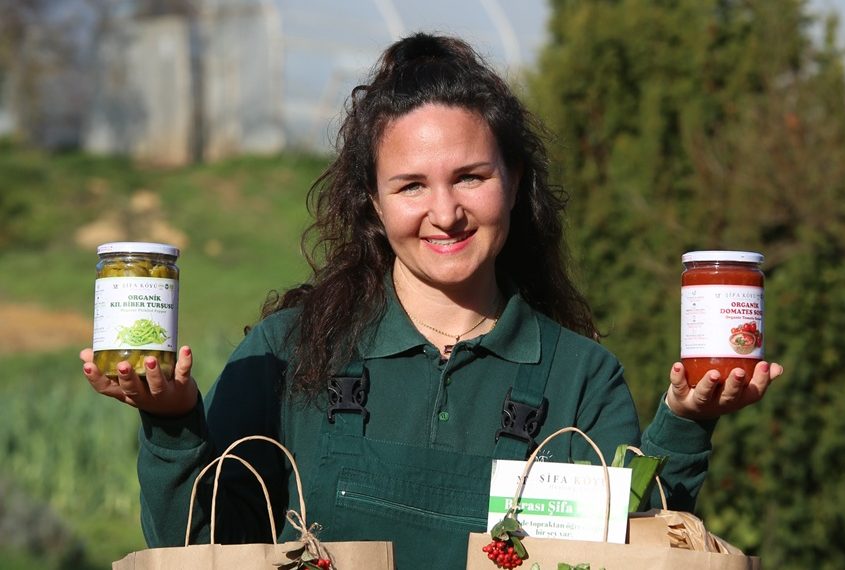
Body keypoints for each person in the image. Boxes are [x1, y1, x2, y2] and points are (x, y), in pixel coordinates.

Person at [81, 32, 782, 569]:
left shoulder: (580, 377)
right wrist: (170, 422)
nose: (444, 213)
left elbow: (630, 552)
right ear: (373, 205)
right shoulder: (285, 354)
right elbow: (197, 550)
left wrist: (685, 425)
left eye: (471, 176)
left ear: (514, 182)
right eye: (411, 185)